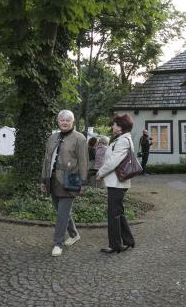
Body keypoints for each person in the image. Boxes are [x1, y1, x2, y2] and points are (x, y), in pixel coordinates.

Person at [40, 110, 88, 257]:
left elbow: (83, 162)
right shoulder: (52, 138)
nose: (65, 122)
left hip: (70, 181)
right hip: (52, 180)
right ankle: (74, 234)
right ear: (58, 121)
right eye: (62, 120)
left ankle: (58, 243)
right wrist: (43, 180)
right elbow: (46, 160)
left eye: (68, 120)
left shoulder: (79, 138)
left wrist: (83, 183)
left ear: (72, 122)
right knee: (62, 212)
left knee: (62, 215)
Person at [96, 114, 136, 253]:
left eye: (114, 124)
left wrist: (100, 173)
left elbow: (113, 161)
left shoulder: (123, 140)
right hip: (118, 182)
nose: (112, 126)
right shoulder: (121, 139)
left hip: (117, 182)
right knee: (118, 212)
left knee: (113, 213)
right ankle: (128, 240)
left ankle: (115, 245)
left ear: (120, 126)